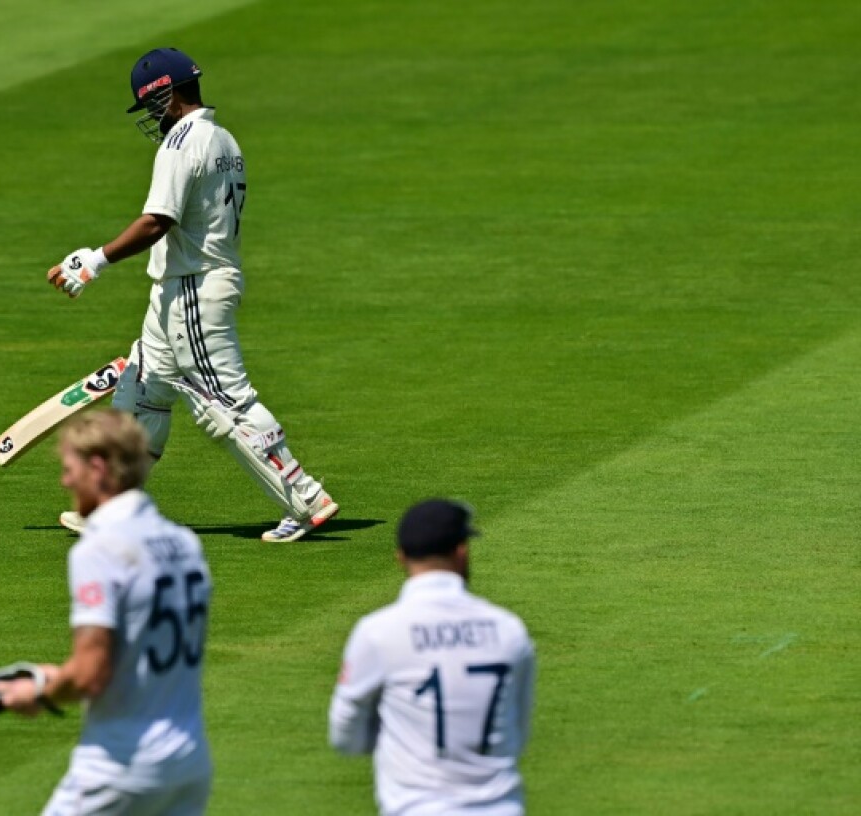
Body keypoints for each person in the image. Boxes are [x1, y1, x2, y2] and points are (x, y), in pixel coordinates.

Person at [44, 46, 338, 543]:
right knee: (142, 389)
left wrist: (94, 261)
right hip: (178, 290)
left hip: (193, 292)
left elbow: (158, 221)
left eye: (152, 105)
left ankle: (305, 497)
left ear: (168, 93)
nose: (151, 118)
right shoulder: (223, 138)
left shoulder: (181, 142)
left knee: (225, 402)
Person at [0, 409, 213, 815]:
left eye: (68, 469)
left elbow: (92, 671)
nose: (64, 482)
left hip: (120, 765)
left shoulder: (101, 547)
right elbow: (141, 651)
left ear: (97, 468)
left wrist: (39, 692)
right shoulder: (185, 544)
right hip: (189, 761)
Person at [329, 500, 536, 816]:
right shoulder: (509, 630)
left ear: (400, 557)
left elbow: (346, 736)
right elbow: (517, 733)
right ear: (462, 551)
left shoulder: (379, 632)